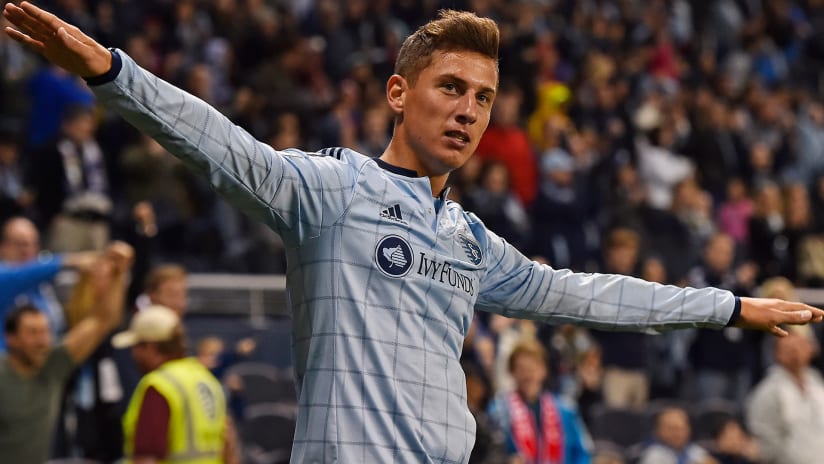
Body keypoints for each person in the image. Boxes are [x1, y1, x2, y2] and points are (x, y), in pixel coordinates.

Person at [5, 4, 824, 462]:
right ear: (400, 92)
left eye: (483, 96)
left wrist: (724, 307)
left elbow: (586, 293)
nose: (469, 109)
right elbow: (226, 150)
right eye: (451, 87)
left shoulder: (470, 239)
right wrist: (114, 73)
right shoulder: (330, 189)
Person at [0, 240, 132, 464]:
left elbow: (102, 320)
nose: (42, 341)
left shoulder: (54, 365)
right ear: (11, 338)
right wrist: (69, 260)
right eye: (32, 333)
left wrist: (119, 273)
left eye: (45, 332)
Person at [112, 304, 238, 464]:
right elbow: (230, 449)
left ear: (151, 347)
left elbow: (146, 458)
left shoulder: (159, 386)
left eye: (136, 346)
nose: (133, 354)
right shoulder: (207, 380)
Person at [0, 215, 98, 349]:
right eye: (21, 244)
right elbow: (19, 276)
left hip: (45, 357)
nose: (27, 250)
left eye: (33, 244)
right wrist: (70, 260)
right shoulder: (7, 275)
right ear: (3, 247)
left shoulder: (43, 283)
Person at [488, 340, 591, 464]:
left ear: (544, 370)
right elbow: (491, 452)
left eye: (533, 368)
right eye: (522, 369)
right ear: (512, 372)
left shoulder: (565, 410)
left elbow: (583, 453)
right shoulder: (499, 409)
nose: (528, 375)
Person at [745, 326, 824, 464]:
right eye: (788, 349)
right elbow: (765, 445)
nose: (795, 353)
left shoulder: (816, 381)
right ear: (777, 353)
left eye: (800, 345)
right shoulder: (768, 391)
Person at [638, 407, 715, 464]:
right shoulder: (653, 453)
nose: (678, 433)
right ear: (659, 431)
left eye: (682, 428)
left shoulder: (693, 450)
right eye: (672, 429)